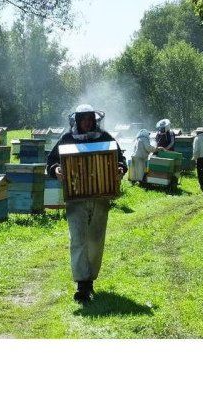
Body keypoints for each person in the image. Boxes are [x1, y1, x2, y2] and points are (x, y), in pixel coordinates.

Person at [47, 104, 128, 303]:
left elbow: (121, 159)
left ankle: (90, 279)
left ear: (95, 120)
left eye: (90, 119)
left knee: (95, 239)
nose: (87, 122)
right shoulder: (67, 139)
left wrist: (120, 168)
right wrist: (56, 170)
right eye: (83, 119)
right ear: (77, 121)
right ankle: (82, 284)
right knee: (78, 239)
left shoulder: (105, 137)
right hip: (76, 198)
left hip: (100, 197)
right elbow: (51, 161)